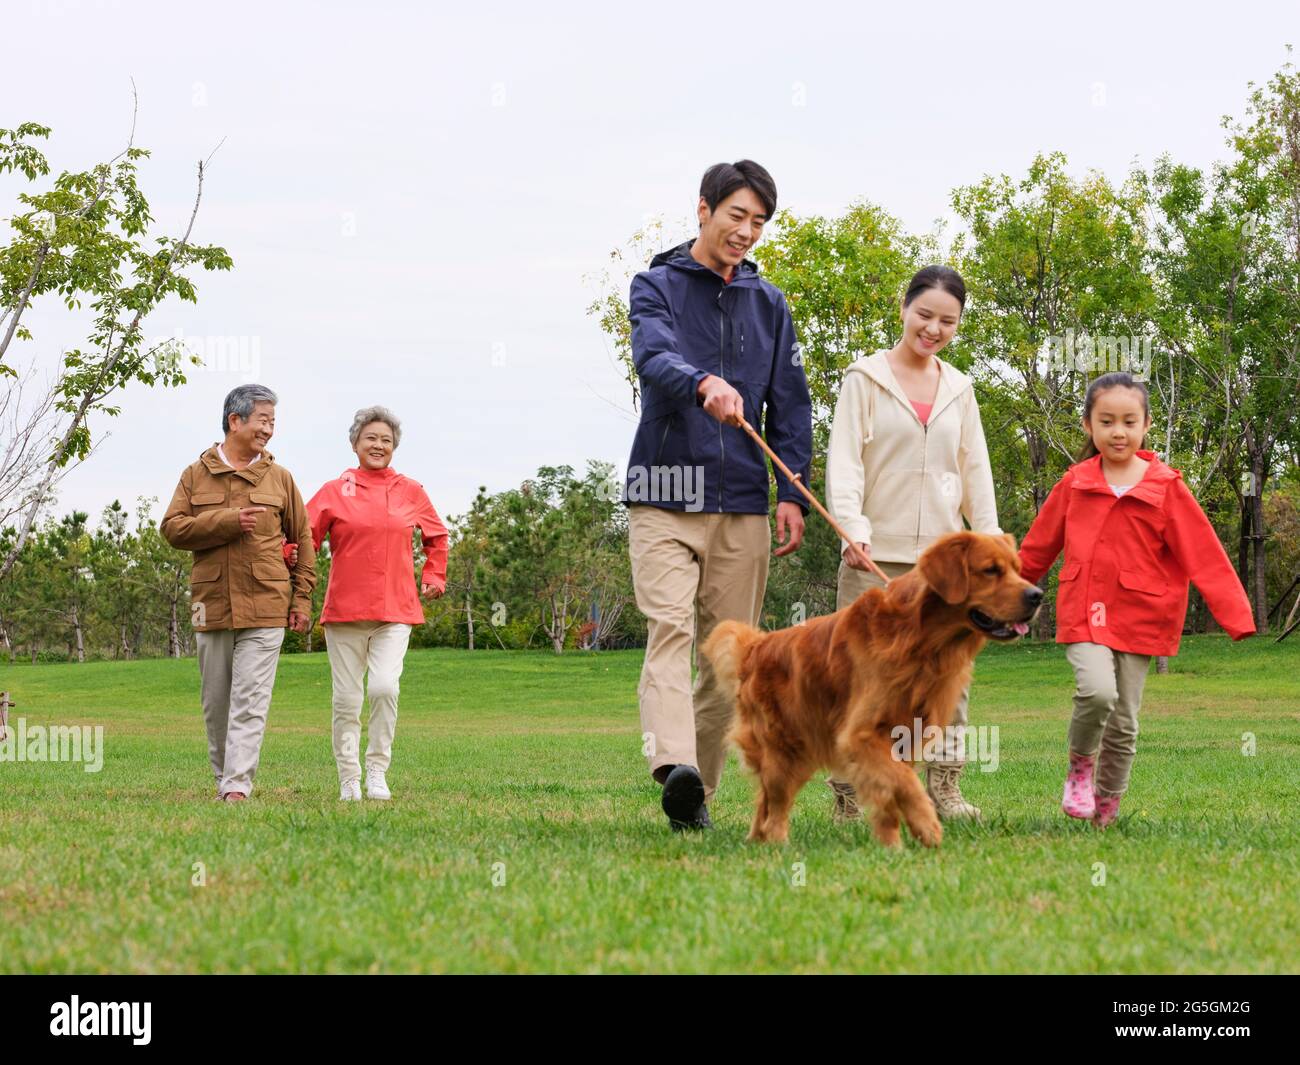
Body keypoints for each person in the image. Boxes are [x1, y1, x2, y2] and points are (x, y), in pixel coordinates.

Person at [624, 159, 812, 831]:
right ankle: (673, 764)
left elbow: (790, 403)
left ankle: (692, 797)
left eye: (759, 221)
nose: (747, 230)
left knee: (729, 659)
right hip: (663, 492)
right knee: (671, 630)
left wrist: (791, 490)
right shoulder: (657, 285)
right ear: (703, 210)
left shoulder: (771, 305)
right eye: (737, 215)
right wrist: (703, 382)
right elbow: (653, 355)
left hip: (742, 501)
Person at [1018, 372, 1255, 826]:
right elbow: (1036, 549)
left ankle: (1106, 808)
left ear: (1146, 425)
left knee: (1124, 721)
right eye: (1107, 421)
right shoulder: (1074, 484)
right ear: (1089, 426)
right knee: (1097, 692)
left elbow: (1204, 554)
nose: (1118, 431)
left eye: (1129, 421)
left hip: (1141, 616)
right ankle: (1080, 772)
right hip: (1084, 609)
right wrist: (998, 604)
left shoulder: (1166, 486)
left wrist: (1236, 616)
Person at [825, 266, 999, 821]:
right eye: (924, 315)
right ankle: (851, 796)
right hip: (874, 555)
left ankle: (944, 788)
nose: (933, 329)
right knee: (860, 679)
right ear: (903, 309)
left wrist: (989, 545)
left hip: (946, 568)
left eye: (948, 321)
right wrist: (853, 527)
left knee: (950, 678)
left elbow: (976, 471)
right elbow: (846, 459)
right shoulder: (865, 379)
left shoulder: (961, 389)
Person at [161, 384, 316, 802]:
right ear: (236, 420)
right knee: (216, 702)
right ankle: (222, 777)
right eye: (263, 420)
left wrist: (301, 599)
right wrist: (227, 521)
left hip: (267, 604)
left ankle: (236, 787)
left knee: (250, 698)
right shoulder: (195, 474)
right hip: (209, 606)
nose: (269, 430)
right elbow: (172, 529)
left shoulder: (281, 479)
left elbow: (304, 541)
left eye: (272, 422)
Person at [306, 406, 448, 801]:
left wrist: (433, 576)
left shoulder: (411, 490)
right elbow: (304, 537)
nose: (378, 445)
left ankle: (377, 771)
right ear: (354, 444)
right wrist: (289, 566)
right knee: (347, 699)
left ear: (394, 447)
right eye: (371, 438)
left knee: (385, 688)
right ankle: (349, 778)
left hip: (395, 611)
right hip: (345, 612)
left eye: (386, 440)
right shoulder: (335, 491)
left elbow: (437, 538)